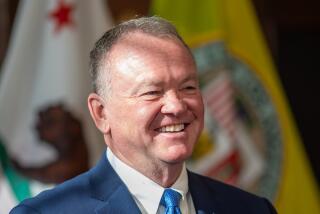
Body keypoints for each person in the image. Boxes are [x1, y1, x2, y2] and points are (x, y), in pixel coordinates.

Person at [10, 16, 277, 214]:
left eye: (188, 87)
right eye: (152, 92)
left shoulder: (251, 209)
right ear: (101, 113)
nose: (175, 106)